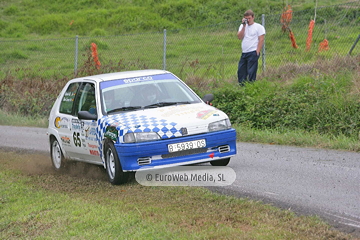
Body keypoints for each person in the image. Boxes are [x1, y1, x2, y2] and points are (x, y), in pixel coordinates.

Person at [237, 10, 266, 86]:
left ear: (253, 17)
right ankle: (242, 86)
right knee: (241, 70)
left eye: (249, 18)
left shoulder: (258, 27)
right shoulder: (242, 26)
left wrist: (257, 51)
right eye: (246, 18)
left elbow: (261, 39)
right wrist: (244, 26)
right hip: (244, 52)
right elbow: (239, 37)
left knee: (251, 71)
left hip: (253, 51)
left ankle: (251, 85)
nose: (248, 20)